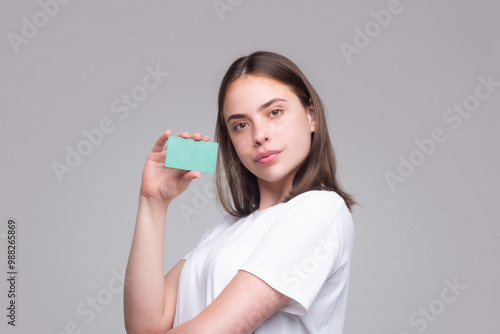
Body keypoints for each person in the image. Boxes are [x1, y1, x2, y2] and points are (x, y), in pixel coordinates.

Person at [124, 51, 357, 334]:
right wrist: (153, 202)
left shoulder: (320, 211)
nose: (259, 135)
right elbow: (144, 327)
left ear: (311, 116)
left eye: (275, 112)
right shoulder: (227, 230)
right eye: (241, 125)